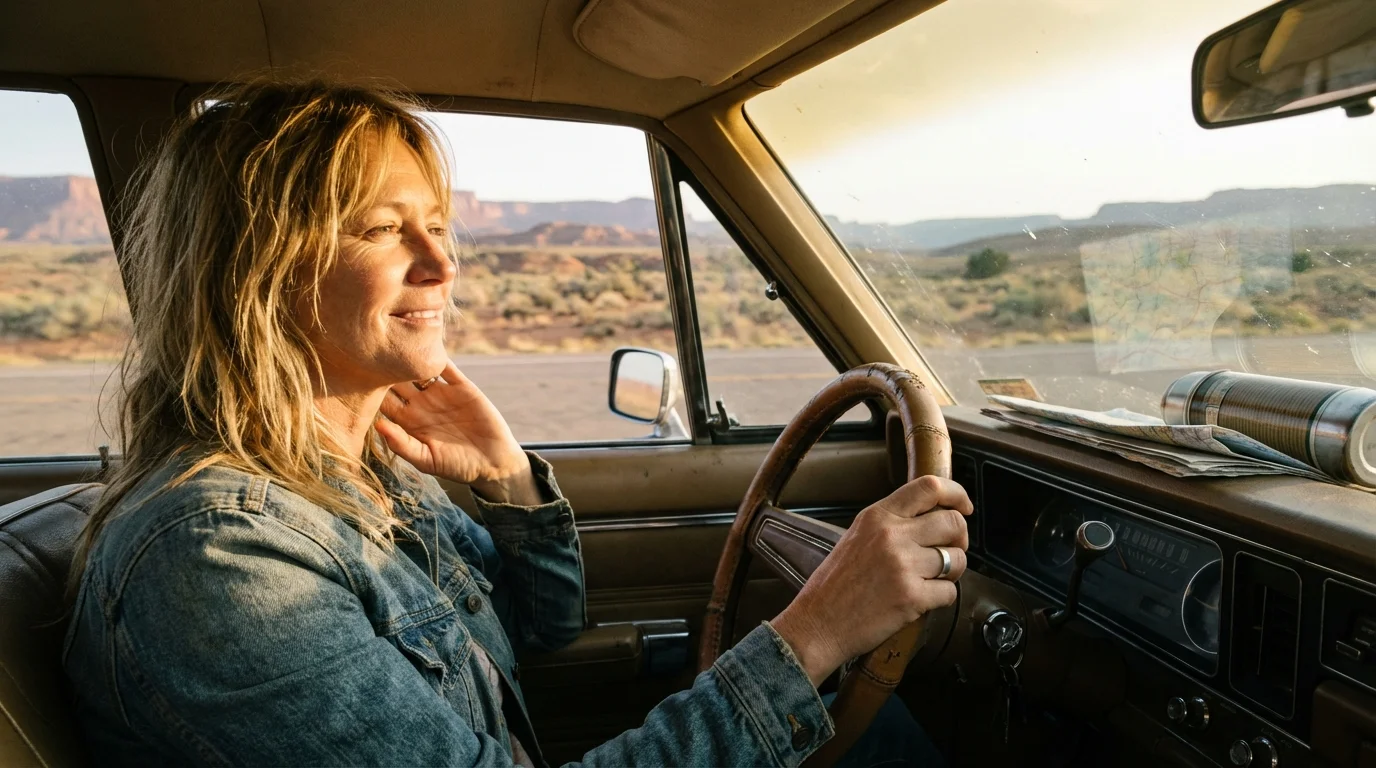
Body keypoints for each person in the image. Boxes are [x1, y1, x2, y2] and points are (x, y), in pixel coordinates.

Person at [63, 79, 971, 767]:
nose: (441, 263)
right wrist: (814, 634)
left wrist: (511, 483)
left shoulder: (358, 476)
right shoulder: (222, 556)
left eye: (440, 226)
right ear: (251, 272)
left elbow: (546, 628)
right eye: (383, 230)